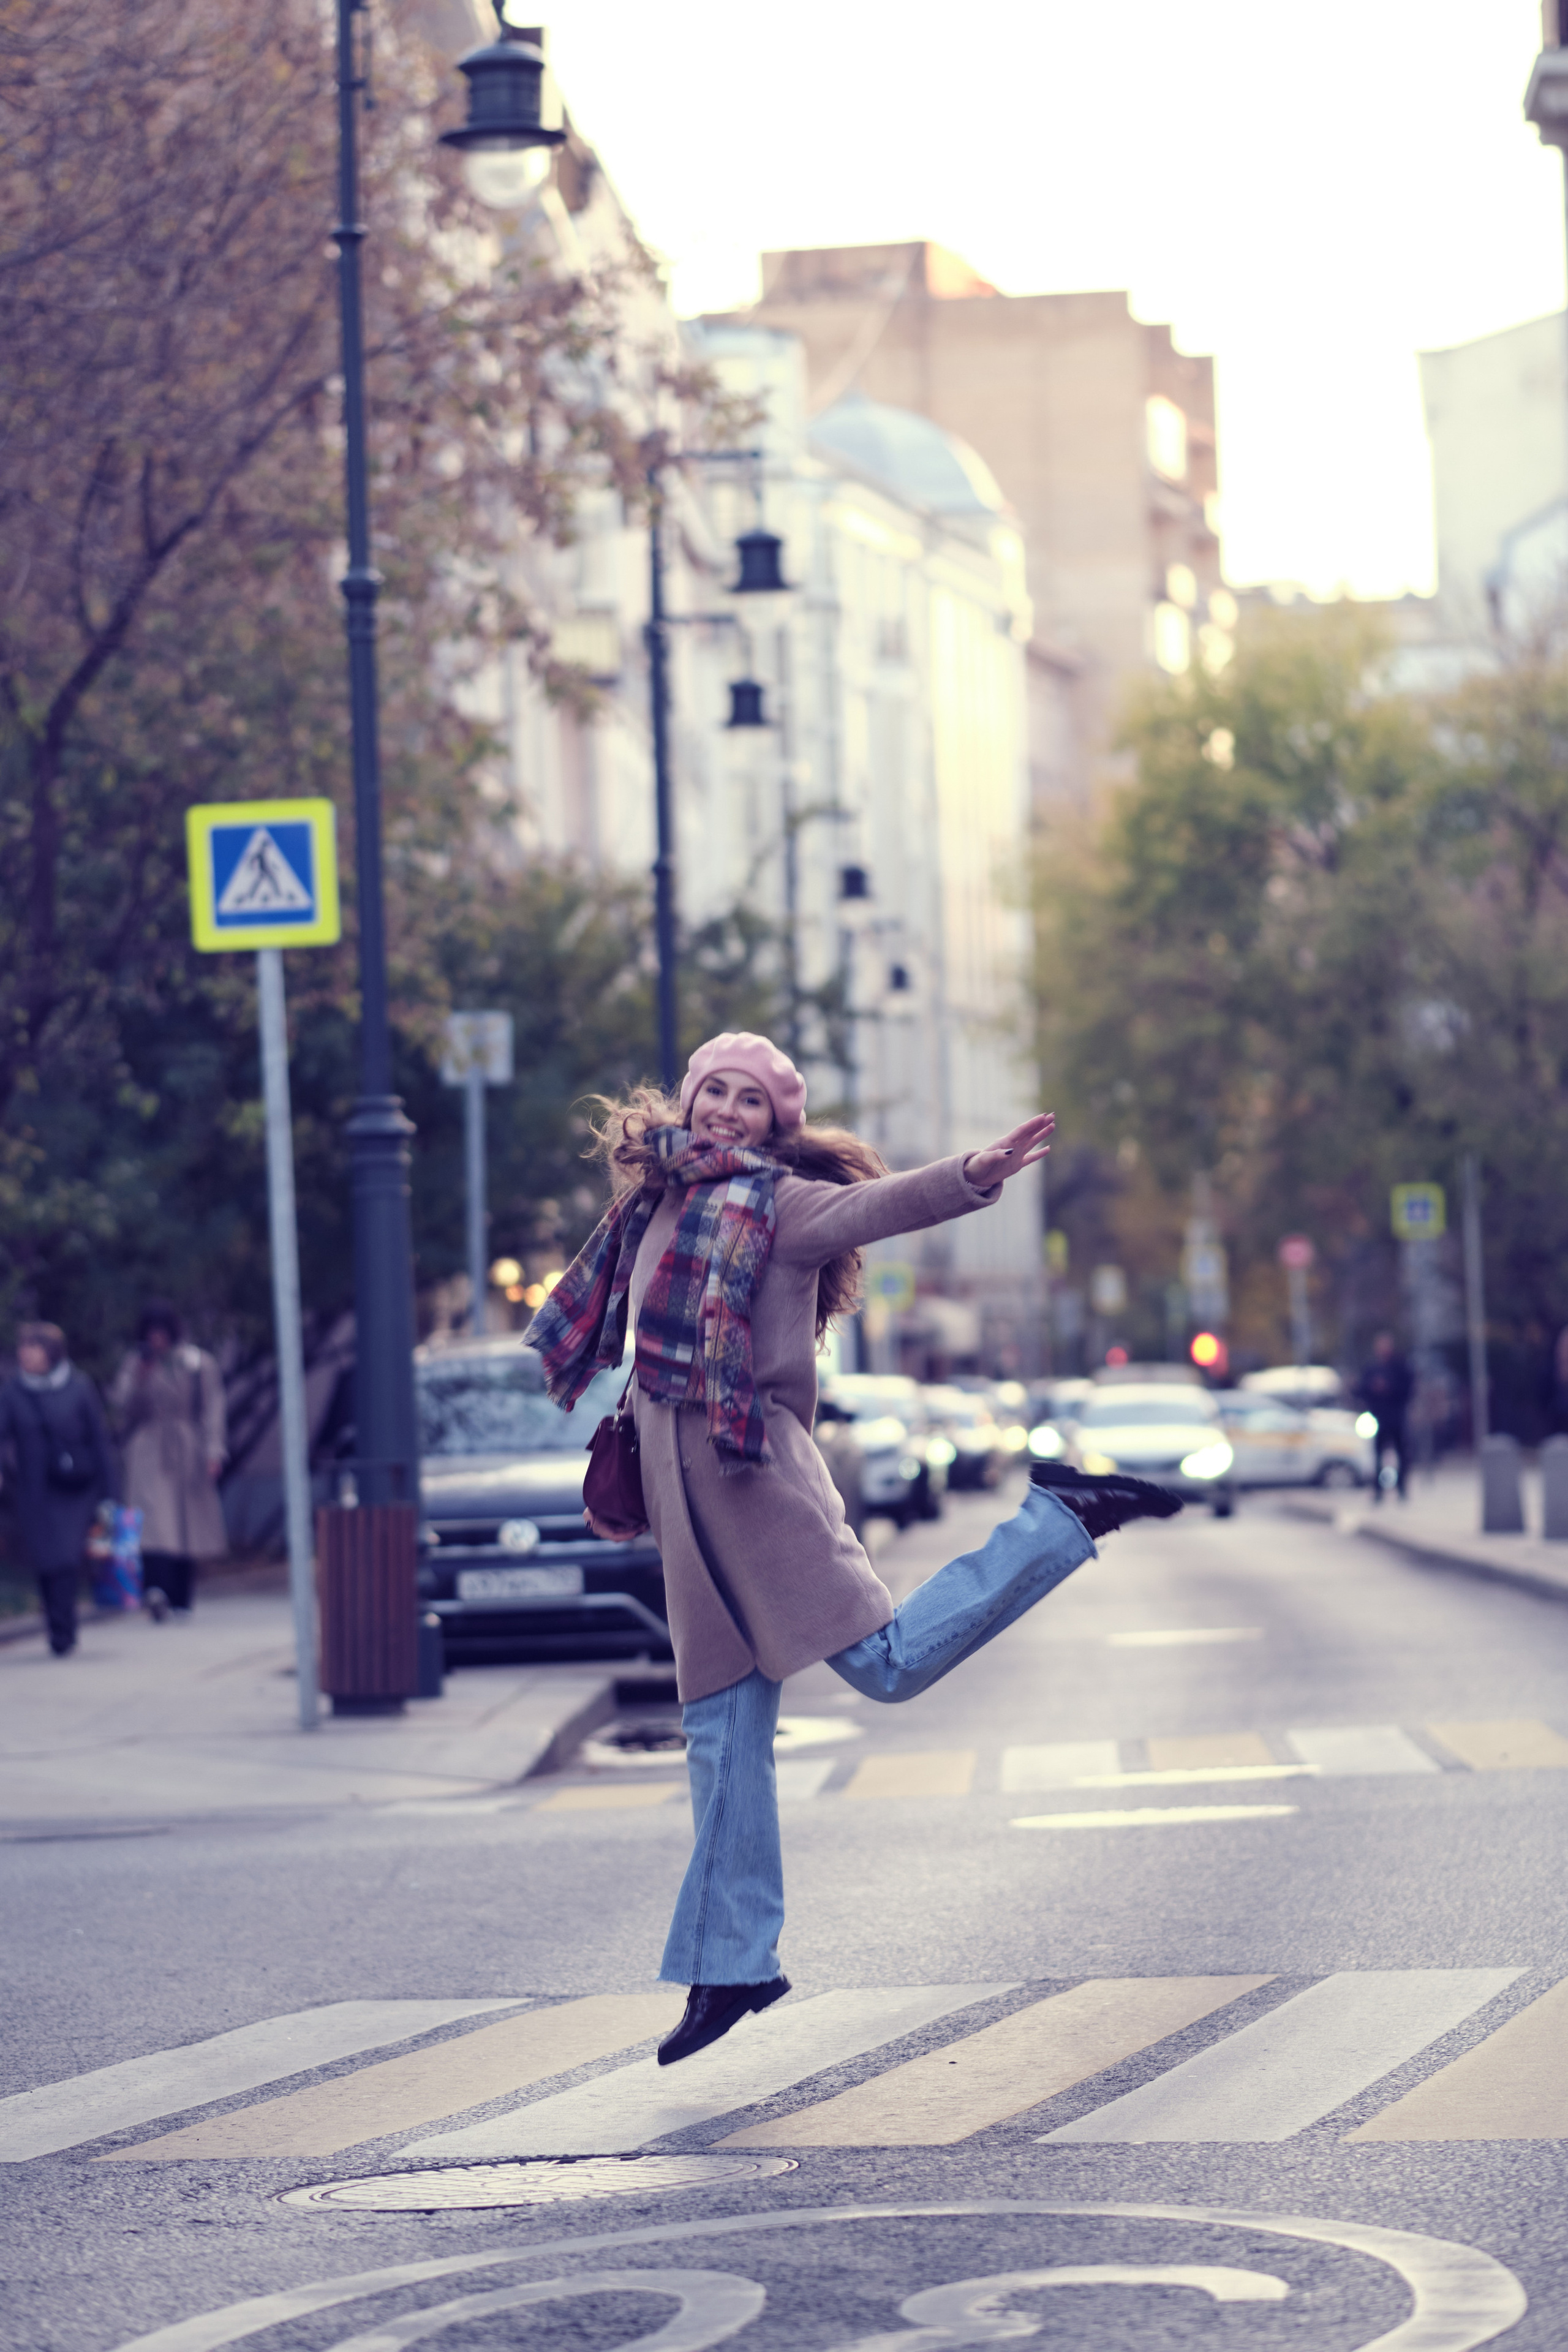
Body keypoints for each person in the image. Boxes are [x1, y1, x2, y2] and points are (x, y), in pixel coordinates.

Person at [527, 1031, 1180, 2067]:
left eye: (750, 1101)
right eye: (714, 1092)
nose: (726, 1112)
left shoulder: (780, 1209)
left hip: (761, 1491)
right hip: (684, 1513)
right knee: (720, 1736)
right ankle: (733, 1966)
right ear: (688, 1100)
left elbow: (881, 1207)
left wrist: (971, 1177)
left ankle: (1061, 1518)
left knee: (886, 1667)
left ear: (778, 1124)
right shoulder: (649, 1202)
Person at [0, 1323, 117, 1656]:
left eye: (33, 1346)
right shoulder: (13, 1392)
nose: (25, 1353)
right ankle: (55, 1623)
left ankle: (64, 1631)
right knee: (44, 1559)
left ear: (51, 1352)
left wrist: (111, 1492)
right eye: (23, 1347)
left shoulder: (78, 1386)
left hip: (74, 1488)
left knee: (65, 1557)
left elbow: (98, 1440)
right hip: (34, 1489)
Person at [110, 1303, 228, 1617]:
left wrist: (214, 1450)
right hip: (148, 1447)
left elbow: (213, 1408)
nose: (157, 1340)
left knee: (186, 1523)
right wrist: (140, 1378)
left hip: (188, 1446)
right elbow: (124, 1405)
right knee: (153, 1521)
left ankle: (181, 1597)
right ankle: (156, 1590)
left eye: (162, 1334)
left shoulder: (196, 1362)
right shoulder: (137, 1363)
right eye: (152, 1334)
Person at [1357, 1331, 1413, 1502]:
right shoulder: (1372, 1368)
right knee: (1378, 1456)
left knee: (1401, 1454)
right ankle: (1378, 1491)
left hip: (1396, 1417)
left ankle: (1402, 1489)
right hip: (1378, 1417)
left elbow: (1408, 1389)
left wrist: (1389, 1388)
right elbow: (1362, 1389)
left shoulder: (1400, 1366)